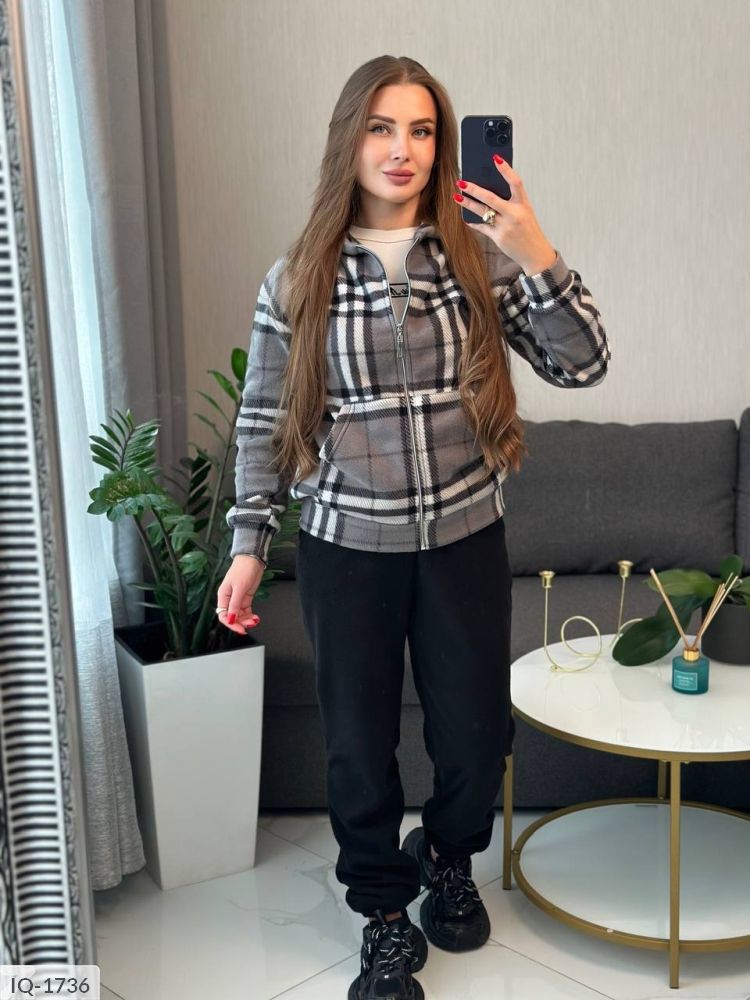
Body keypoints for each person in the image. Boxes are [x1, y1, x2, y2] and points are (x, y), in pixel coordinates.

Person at [217, 55, 610, 1000]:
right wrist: (247, 545)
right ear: (349, 141)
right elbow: (265, 419)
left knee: (474, 737)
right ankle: (385, 916)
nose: (403, 149)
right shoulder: (298, 277)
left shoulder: (477, 258)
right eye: (382, 127)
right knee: (357, 746)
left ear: (444, 147)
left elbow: (584, 364)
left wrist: (537, 249)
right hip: (347, 546)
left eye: (423, 130)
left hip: (464, 537)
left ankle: (445, 854)